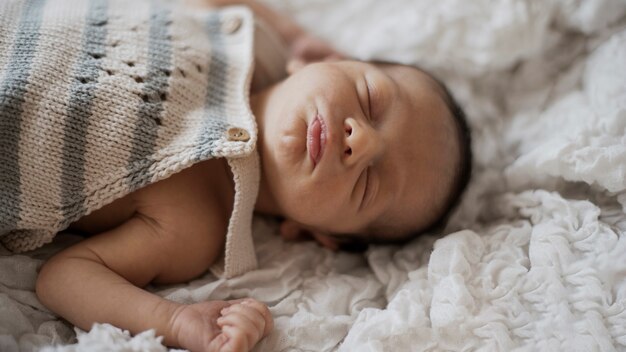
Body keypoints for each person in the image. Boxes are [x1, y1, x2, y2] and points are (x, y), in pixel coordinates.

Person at [0, 0, 471, 351]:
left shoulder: (194, 226)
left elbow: (63, 278)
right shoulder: (244, 39)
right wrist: (291, 32)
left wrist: (176, 322)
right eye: (370, 99)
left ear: (315, 234)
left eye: (369, 183)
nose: (361, 141)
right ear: (323, 61)